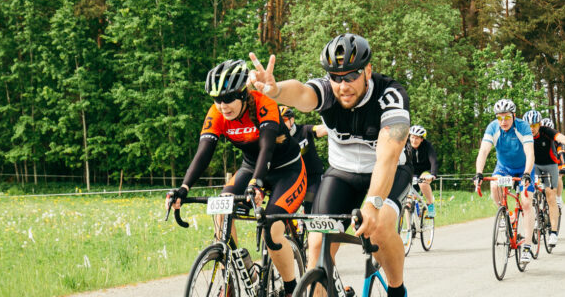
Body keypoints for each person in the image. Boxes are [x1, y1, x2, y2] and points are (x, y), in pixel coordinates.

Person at [248, 34, 413, 297]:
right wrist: (276, 91)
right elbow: (302, 93)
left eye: (352, 76)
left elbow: (388, 156)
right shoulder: (327, 91)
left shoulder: (391, 95)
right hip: (342, 175)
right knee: (316, 246)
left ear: (368, 71)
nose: (343, 85)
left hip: (388, 173)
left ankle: (396, 290)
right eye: (336, 77)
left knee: (379, 227)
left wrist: (373, 204)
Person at [167, 60, 306, 295]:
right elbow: (203, 153)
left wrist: (256, 184)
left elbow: (266, 148)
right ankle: (231, 277)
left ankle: (292, 288)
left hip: (287, 170)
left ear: (243, 94)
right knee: (222, 209)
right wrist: (184, 188)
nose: (222, 106)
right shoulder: (217, 113)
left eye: (229, 98)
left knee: (271, 228)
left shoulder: (264, 104)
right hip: (250, 168)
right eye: (216, 99)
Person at [473, 99, 536, 264]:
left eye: (507, 117)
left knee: (526, 202)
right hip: (504, 168)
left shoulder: (523, 127)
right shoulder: (493, 127)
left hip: (524, 168)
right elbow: (483, 151)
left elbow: (530, 153)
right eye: (499, 118)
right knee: (494, 185)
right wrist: (479, 173)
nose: (503, 121)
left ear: (514, 116)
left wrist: (527, 174)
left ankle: (527, 246)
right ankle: (506, 216)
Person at [525, 110, 565, 247]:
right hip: (533, 165)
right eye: (529, 125)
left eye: (534, 125)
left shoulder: (546, 131)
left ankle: (554, 232)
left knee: (551, 196)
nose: (532, 128)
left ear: (540, 124)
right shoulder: (523, 133)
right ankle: (535, 218)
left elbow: (563, 139)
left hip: (550, 165)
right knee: (527, 195)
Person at [279, 106, 327, 213]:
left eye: (284, 120)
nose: (280, 124)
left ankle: (306, 214)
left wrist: (337, 126)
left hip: (312, 177)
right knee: (284, 209)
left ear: (292, 120)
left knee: (309, 206)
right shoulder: (278, 139)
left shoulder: (304, 130)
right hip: (294, 179)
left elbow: (321, 129)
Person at [405, 125, 439, 217]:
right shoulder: (406, 145)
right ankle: (409, 226)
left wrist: (433, 174)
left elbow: (434, 160)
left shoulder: (427, 146)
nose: (414, 140)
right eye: (412, 137)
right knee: (408, 202)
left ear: (421, 139)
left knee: (423, 182)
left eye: (417, 138)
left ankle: (430, 204)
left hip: (425, 171)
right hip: (412, 172)